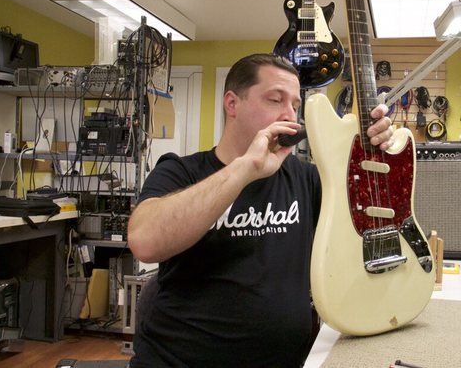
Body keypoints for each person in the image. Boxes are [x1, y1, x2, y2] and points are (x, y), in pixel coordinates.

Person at [127, 53, 395, 367]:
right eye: (275, 100)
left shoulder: (308, 179)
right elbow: (145, 241)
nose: (290, 115)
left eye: (295, 104)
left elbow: (374, 226)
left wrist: (375, 151)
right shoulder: (181, 171)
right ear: (232, 104)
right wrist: (246, 169)